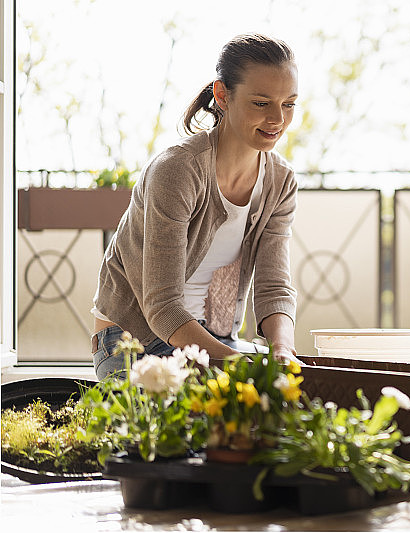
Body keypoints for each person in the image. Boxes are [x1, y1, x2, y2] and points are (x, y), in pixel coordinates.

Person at [91, 34, 301, 379]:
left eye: (289, 104)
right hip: (135, 341)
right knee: (201, 423)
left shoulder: (280, 181)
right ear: (222, 95)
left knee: (291, 409)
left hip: (214, 339)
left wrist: (281, 350)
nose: (277, 118)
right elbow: (163, 307)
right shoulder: (178, 170)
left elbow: (274, 287)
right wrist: (239, 367)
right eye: (261, 103)